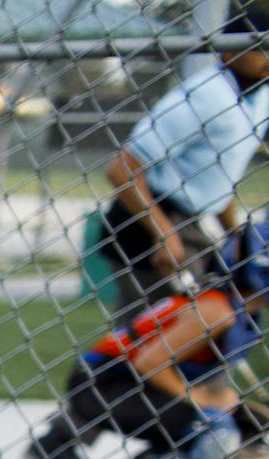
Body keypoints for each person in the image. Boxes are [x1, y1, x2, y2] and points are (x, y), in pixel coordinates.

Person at [24, 218, 267, 459]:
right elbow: (150, 362)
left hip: (122, 384)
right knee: (213, 428)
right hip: (103, 384)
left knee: (222, 419)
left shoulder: (240, 309)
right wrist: (203, 400)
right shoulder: (217, 310)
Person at [103, 8, 269, 321]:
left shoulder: (261, 98)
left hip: (194, 226)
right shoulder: (204, 94)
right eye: (259, 46)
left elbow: (221, 171)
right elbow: (122, 170)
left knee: (195, 333)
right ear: (228, 50)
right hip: (148, 222)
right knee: (154, 339)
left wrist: (236, 235)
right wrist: (163, 234)